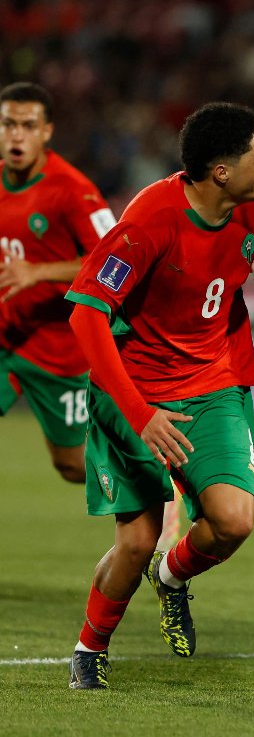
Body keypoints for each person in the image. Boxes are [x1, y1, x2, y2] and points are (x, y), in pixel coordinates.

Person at [63, 102, 254, 689]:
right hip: (136, 395)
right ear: (221, 172)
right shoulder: (149, 222)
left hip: (212, 383)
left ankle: (172, 576)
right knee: (136, 542)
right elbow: (86, 315)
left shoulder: (249, 204)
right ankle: (89, 649)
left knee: (233, 521)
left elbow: (212, 265)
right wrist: (140, 416)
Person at [0, 82, 116, 483]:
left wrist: (38, 272)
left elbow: (114, 260)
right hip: (6, 336)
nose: (17, 135)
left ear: (47, 131)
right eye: (9, 124)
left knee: (71, 464)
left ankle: (156, 484)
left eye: (28, 126)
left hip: (57, 352)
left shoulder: (73, 190)